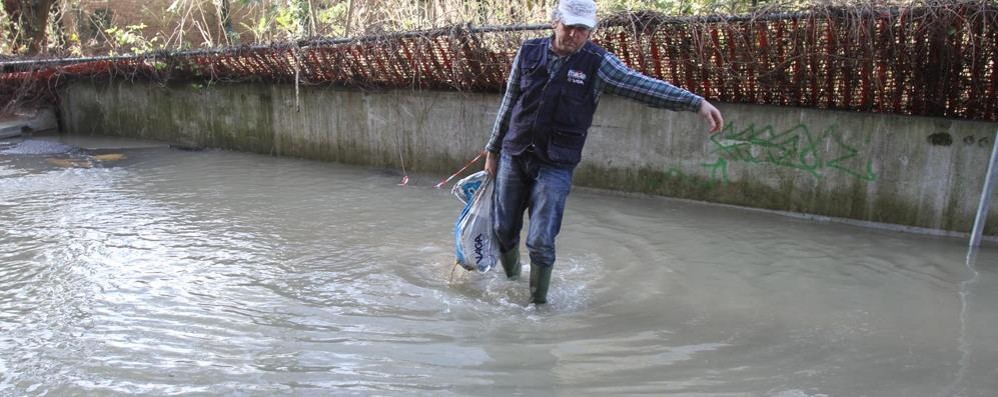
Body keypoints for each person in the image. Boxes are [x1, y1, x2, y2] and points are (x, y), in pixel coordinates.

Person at [483, 0, 724, 304]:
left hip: (556, 164)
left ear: (590, 32)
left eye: (582, 29)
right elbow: (509, 101)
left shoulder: (599, 63)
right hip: (514, 155)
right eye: (568, 26)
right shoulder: (528, 52)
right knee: (503, 229)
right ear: (555, 22)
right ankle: (511, 282)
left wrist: (695, 103)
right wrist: (493, 150)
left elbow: (641, 86)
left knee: (541, 241)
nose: (573, 34)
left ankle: (537, 307)